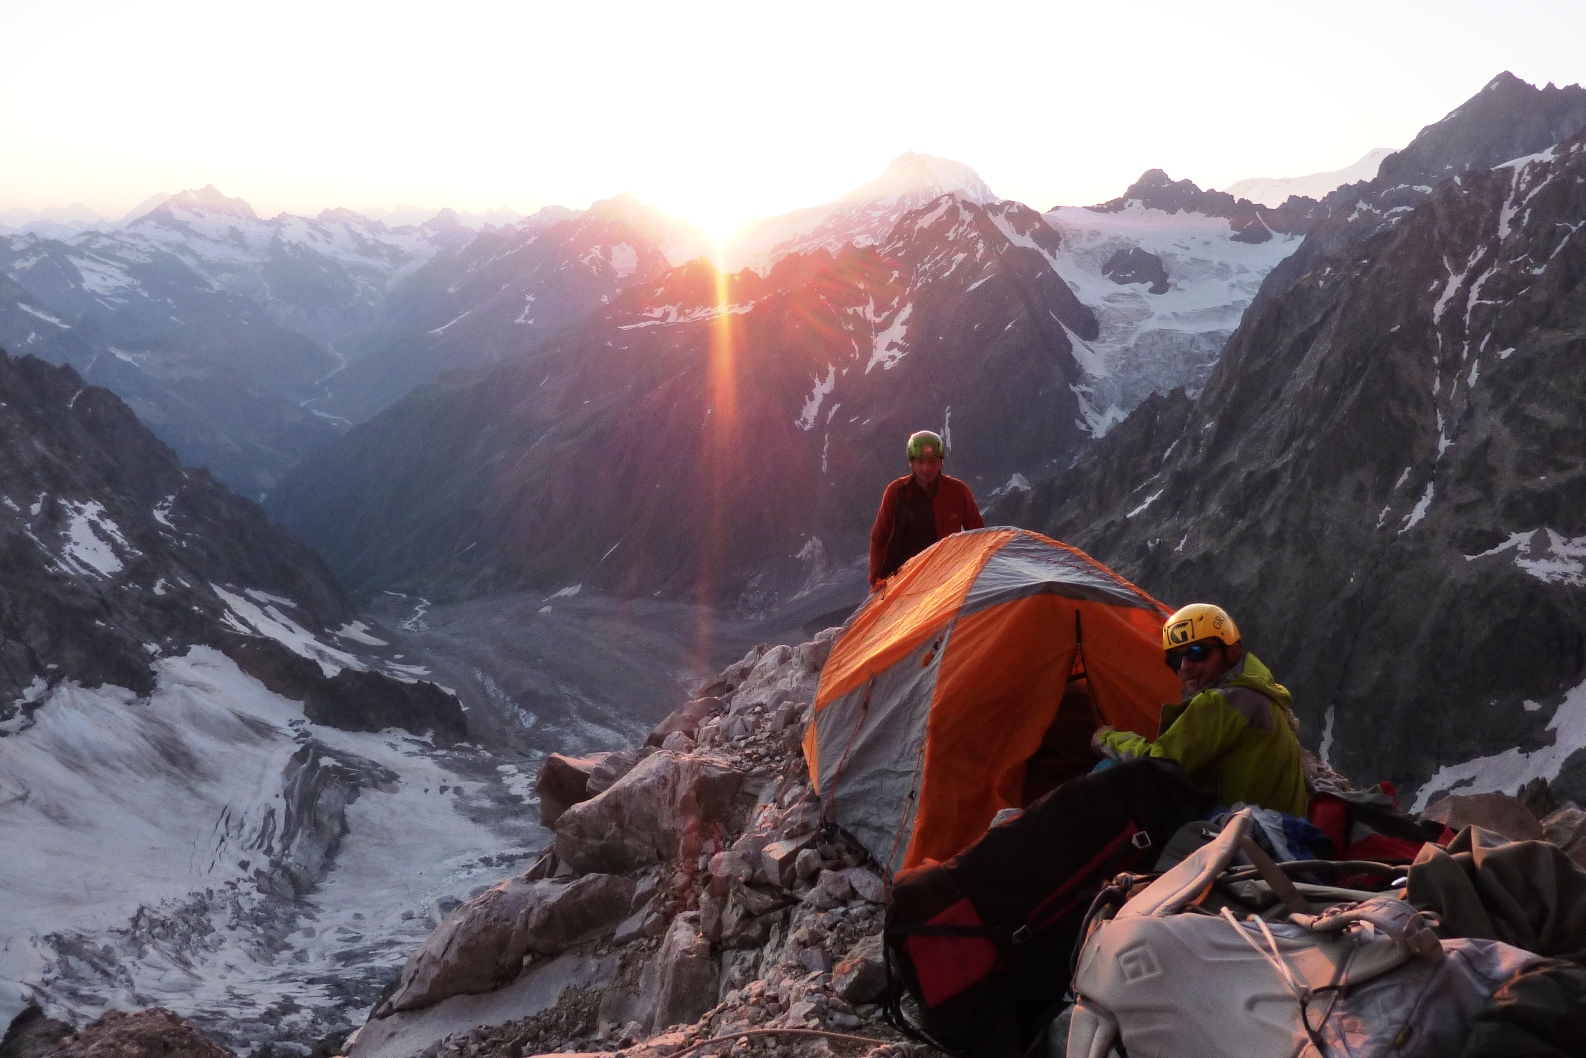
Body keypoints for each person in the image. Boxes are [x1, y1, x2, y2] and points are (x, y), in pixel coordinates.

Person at [1092, 604, 1308, 816]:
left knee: (1108, 769)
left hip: (1243, 829)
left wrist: (1106, 738)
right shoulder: (1258, 692)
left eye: (1198, 653)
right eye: (1175, 658)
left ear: (1232, 652)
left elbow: (1158, 762)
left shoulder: (1225, 702)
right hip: (1277, 824)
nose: (1185, 666)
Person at [868, 430, 985, 591]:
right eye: (920, 462)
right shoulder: (897, 492)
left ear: (940, 462)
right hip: (902, 578)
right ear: (911, 463)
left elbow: (978, 534)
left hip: (946, 576)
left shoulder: (958, 491)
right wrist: (876, 579)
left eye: (932, 462)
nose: (926, 468)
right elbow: (879, 536)